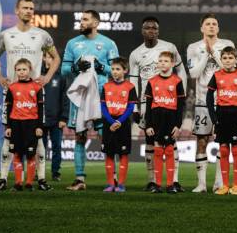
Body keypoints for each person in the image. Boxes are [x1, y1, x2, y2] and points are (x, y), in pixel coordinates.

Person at [0, 0, 59, 191]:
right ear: (17, 10)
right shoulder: (6, 35)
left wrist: (46, 77)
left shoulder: (42, 35)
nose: (29, 11)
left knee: (38, 136)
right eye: (25, 8)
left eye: (31, 8)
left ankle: (42, 179)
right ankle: (3, 178)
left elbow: (56, 58)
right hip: (12, 94)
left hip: (34, 95)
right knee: (8, 136)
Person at [61, 10, 120, 191]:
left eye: (85, 20)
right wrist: (75, 67)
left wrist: (102, 67)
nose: (82, 22)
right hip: (80, 95)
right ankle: (79, 179)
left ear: (95, 23)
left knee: (106, 137)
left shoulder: (108, 43)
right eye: (81, 19)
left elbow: (117, 70)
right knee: (80, 136)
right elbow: (63, 70)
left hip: (101, 96)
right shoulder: (73, 43)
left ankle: (113, 179)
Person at [129, 16, 187, 192]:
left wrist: (180, 93)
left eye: (154, 28)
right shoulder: (135, 54)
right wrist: (135, 107)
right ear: (142, 30)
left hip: (169, 101)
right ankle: (152, 180)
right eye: (147, 28)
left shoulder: (169, 47)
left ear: (158, 31)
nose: (151, 31)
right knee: (150, 140)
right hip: (149, 102)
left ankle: (174, 180)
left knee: (171, 141)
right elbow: (133, 82)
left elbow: (181, 70)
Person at [187, 13, 235, 193]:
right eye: (208, 24)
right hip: (202, 101)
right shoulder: (193, 47)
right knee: (201, 141)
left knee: (223, 142)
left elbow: (229, 68)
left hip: (225, 100)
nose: (211, 26)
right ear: (202, 28)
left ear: (218, 28)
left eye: (214, 24)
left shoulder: (227, 45)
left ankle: (219, 182)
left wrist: (214, 52)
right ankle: (201, 184)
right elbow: (193, 73)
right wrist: (206, 56)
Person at [207, 46, 237, 195]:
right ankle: (225, 185)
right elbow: (209, 97)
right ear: (221, 60)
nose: (227, 61)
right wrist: (214, 118)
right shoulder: (216, 75)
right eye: (225, 58)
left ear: (236, 60)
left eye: (230, 58)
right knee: (224, 149)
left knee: (236, 149)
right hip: (221, 114)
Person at [144, 52, 186, 193]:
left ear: (172, 64)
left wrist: (178, 125)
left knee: (169, 150)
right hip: (156, 119)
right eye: (160, 60)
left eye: (166, 61)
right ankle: (156, 184)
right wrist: (148, 124)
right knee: (157, 150)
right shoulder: (152, 81)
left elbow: (180, 106)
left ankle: (170, 184)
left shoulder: (177, 81)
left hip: (170, 119)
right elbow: (148, 105)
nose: (162, 63)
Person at [4, 59, 44, 191]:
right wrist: (8, 126)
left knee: (31, 154)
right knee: (17, 154)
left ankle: (29, 183)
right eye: (19, 70)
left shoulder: (37, 87)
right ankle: (18, 183)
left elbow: (40, 109)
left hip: (31, 125)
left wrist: (39, 126)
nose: (21, 72)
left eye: (24, 69)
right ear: (15, 71)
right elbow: (8, 109)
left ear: (30, 70)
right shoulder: (12, 87)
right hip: (16, 124)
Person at [101, 57, 137, 192]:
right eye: (113, 69)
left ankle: (121, 184)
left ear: (125, 70)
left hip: (123, 123)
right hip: (108, 123)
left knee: (123, 154)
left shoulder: (130, 87)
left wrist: (118, 122)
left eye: (118, 69)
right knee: (109, 153)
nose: (114, 72)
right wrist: (111, 121)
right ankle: (110, 184)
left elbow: (130, 108)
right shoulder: (106, 86)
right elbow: (103, 107)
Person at [41, 52, 69, 182]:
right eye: (47, 56)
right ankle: (39, 172)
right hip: (40, 120)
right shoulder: (38, 76)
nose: (49, 59)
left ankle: (55, 172)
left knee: (57, 147)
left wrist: (63, 118)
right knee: (40, 148)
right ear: (43, 58)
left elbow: (65, 98)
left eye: (52, 57)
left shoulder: (60, 77)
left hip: (56, 120)